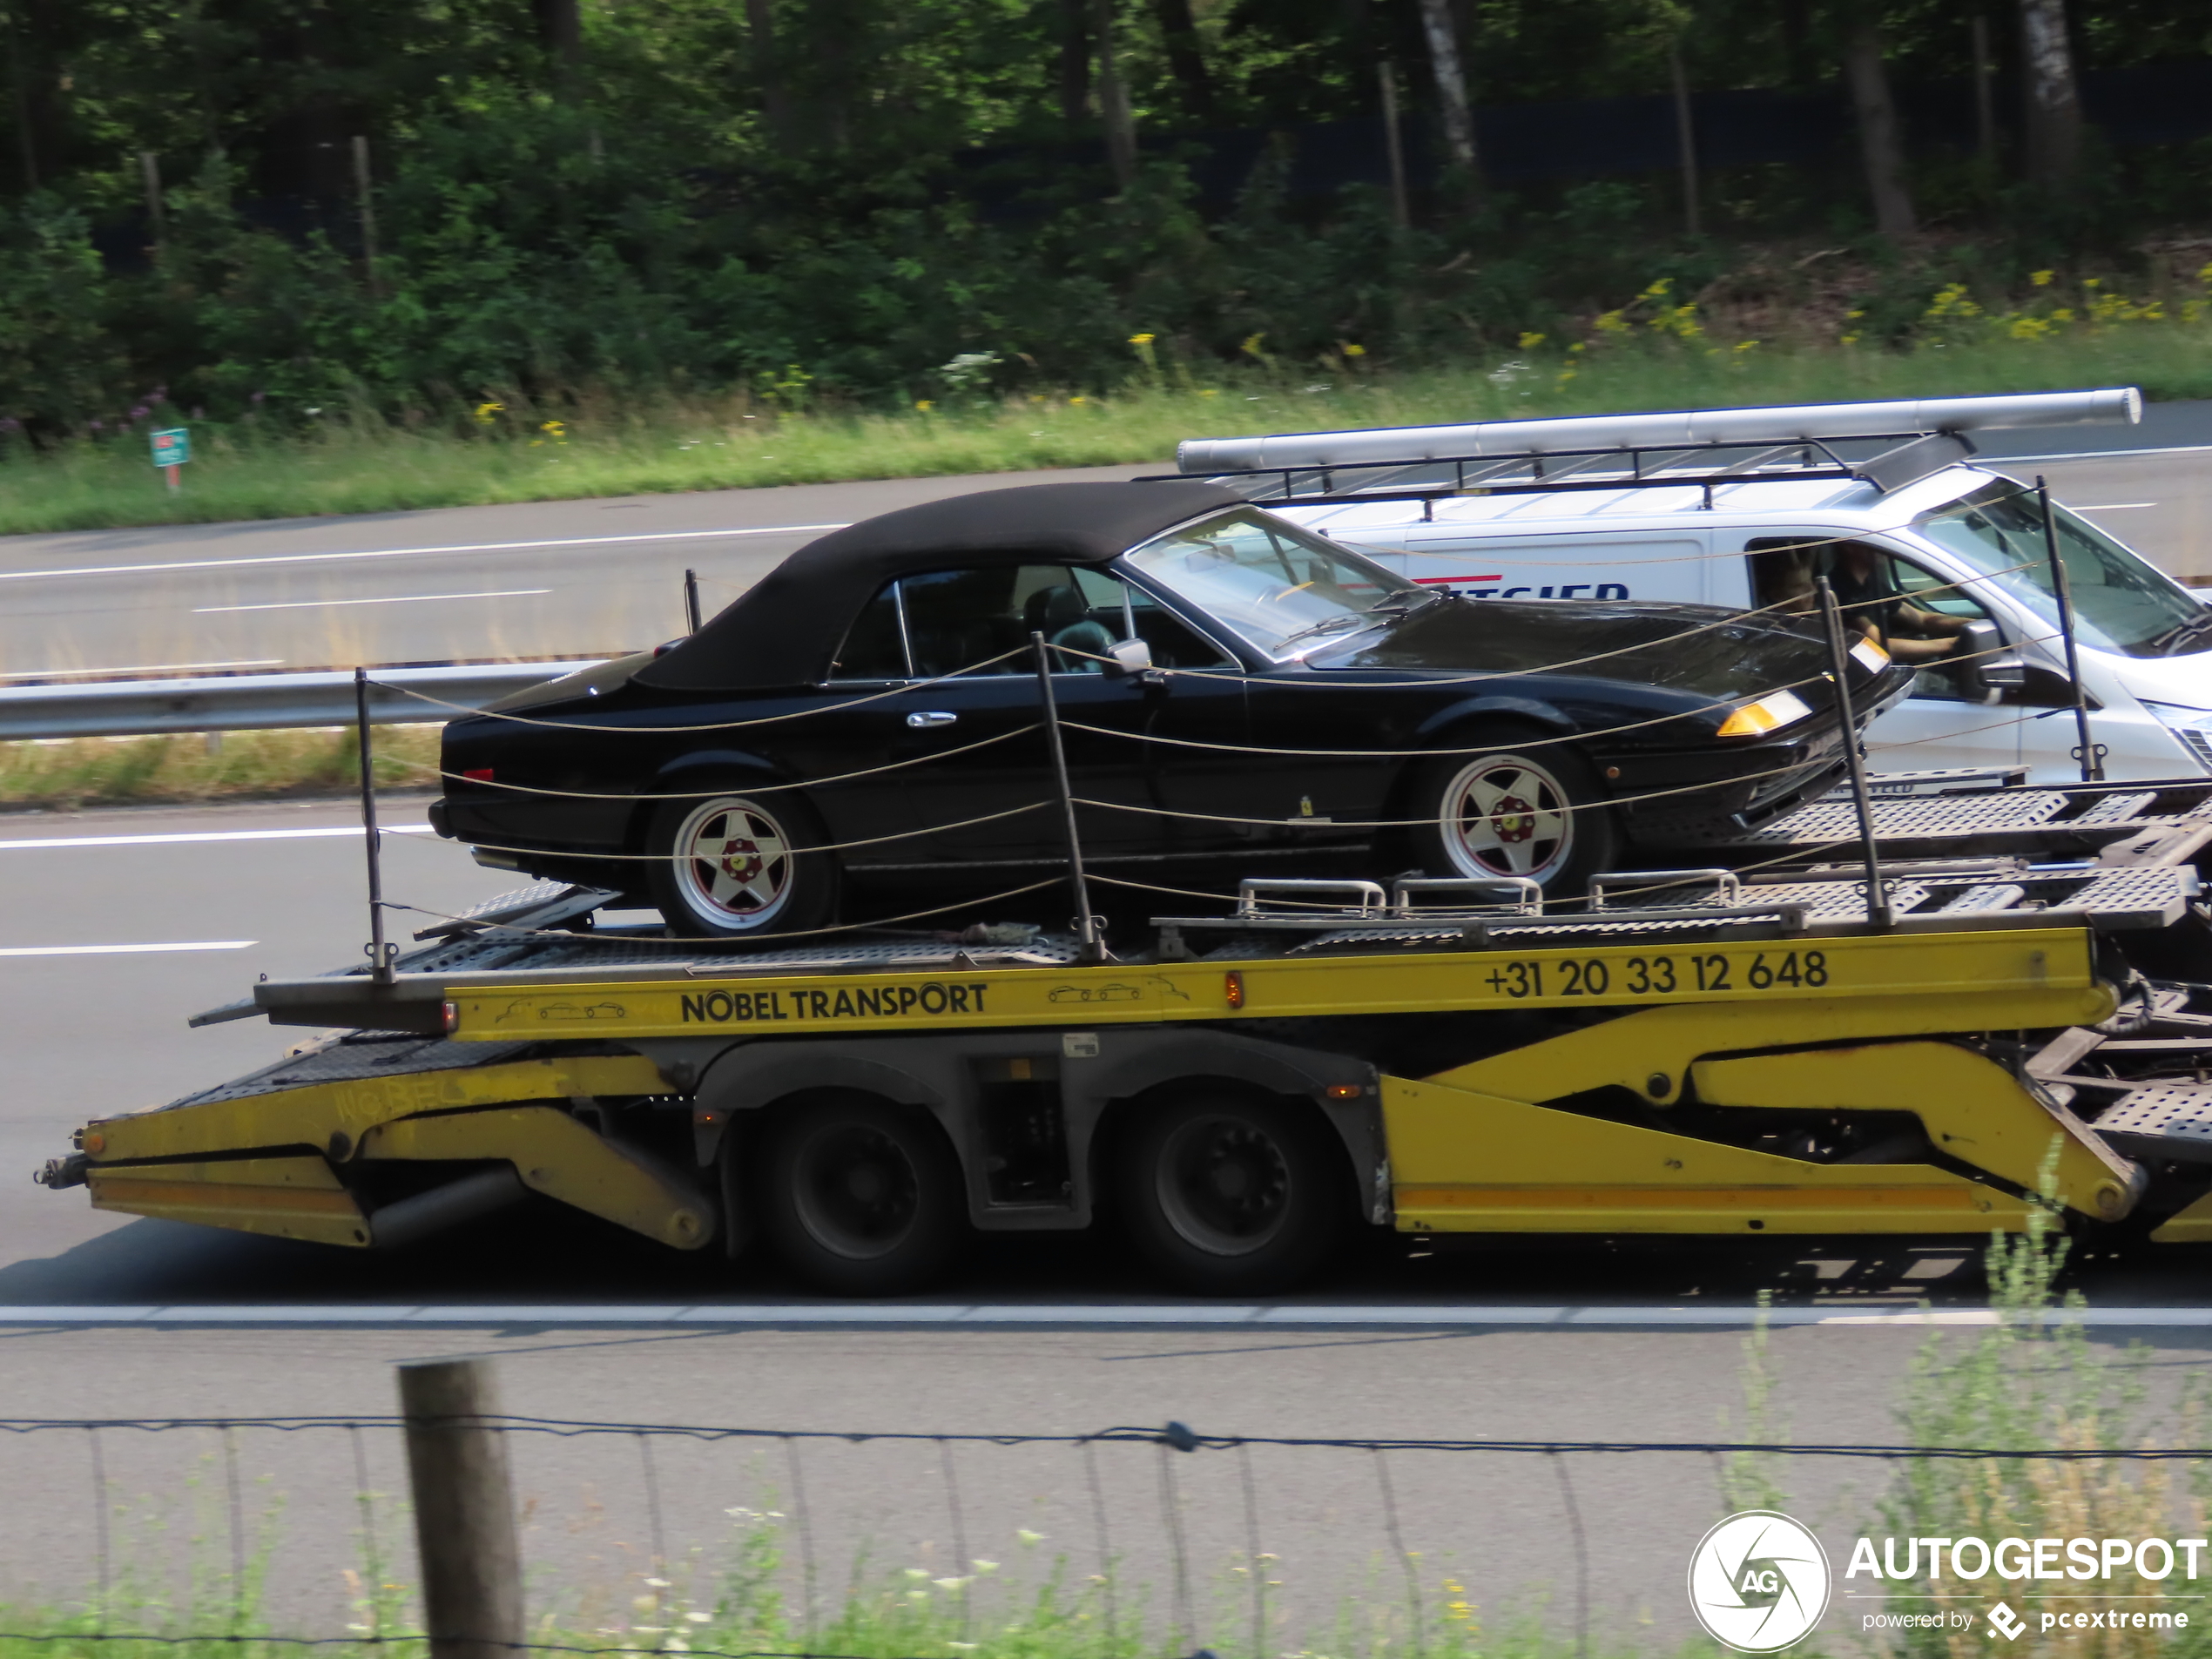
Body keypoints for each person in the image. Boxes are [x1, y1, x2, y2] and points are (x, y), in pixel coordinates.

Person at [1825, 541, 1966, 664]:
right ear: (1849, 547)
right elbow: (1879, 645)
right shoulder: (1839, 590)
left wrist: (1974, 623)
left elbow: (1923, 620)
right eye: (1876, 543)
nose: (1885, 548)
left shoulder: (1870, 583)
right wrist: (1952, 644)